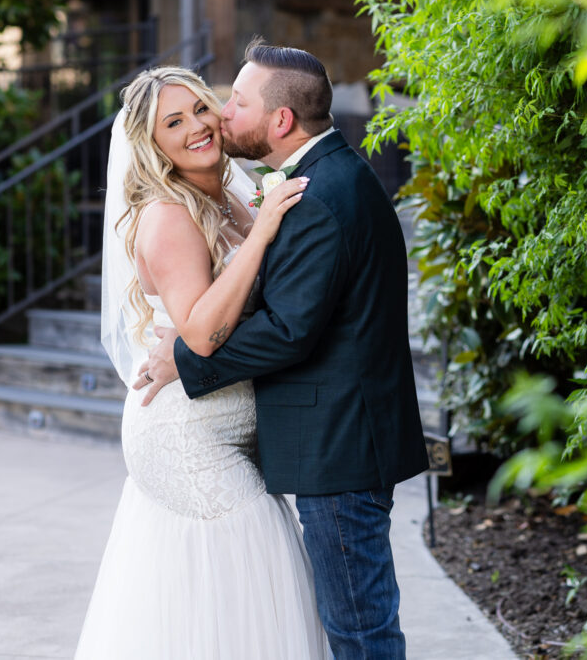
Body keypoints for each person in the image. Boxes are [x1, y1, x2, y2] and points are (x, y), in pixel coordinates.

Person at [137, 39, 430, 658]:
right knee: (354, 619)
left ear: (281, 121)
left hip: (341, 446)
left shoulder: (317, 197)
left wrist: (184, 360)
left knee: (359, 626)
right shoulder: (320, 179)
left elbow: (289, 331)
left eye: (234, 103)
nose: (220, 116)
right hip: (340, 440)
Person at [76, 66, 330, 659]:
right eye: (174, 121)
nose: (196, 126)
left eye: (201, 108)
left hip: (232, 424)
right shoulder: (168, 215)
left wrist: (260, 217)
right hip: (187, 437)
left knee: (227, 604)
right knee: (257, 576)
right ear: (154, 145)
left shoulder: (233, 191)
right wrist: (265, 230)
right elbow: (206, 333)